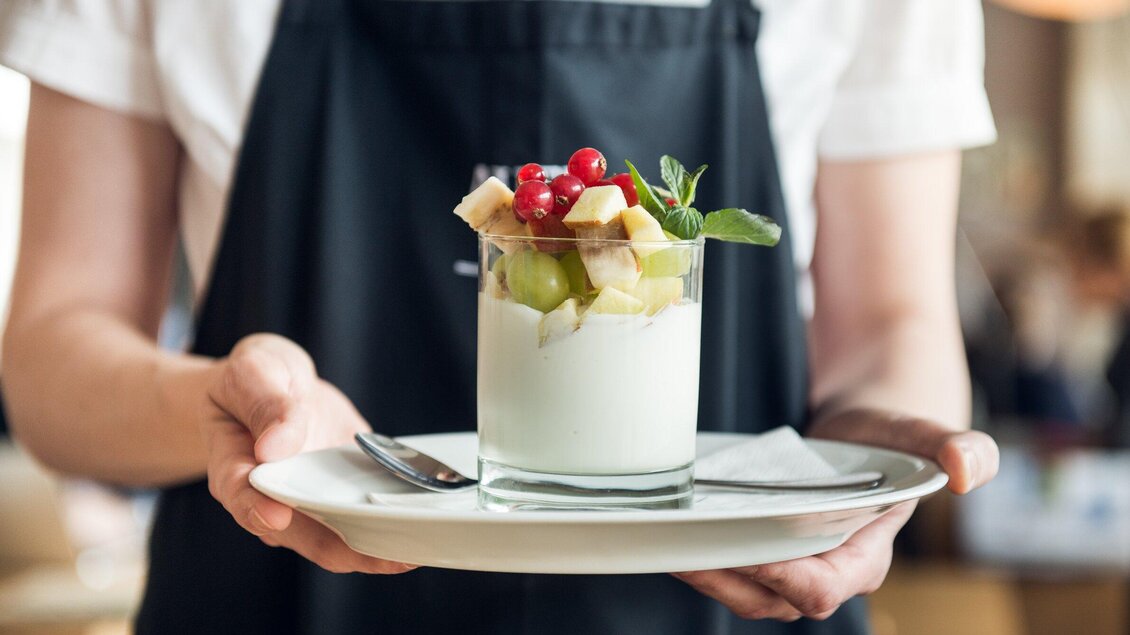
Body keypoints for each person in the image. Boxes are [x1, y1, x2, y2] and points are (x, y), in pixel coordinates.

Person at [0, 0, 1000, 633]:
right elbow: (53, 354)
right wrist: (221, 405)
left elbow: (891, 323)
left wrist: (876, 458)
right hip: (276, 598)